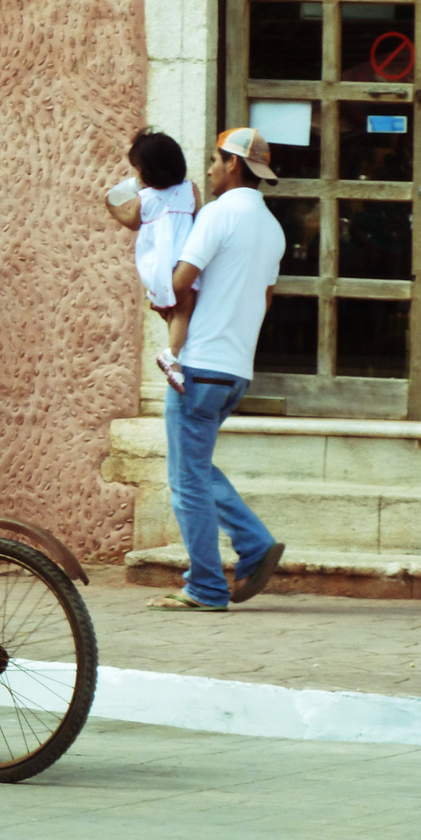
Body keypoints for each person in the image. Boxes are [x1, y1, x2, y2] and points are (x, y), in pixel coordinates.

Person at [146, 128, 287, 612]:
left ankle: (206, 585)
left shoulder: (218, 214)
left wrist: (159, 295)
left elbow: (178, 281)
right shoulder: (273, 228)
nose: (207, 168)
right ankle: (253, 545)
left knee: (186, 481)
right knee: (198, 467)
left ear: (233, 164)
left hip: (200, 365)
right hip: (235, 371)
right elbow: (264, 300)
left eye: (213, 159)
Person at [106, 128, 200, 392]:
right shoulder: (190, 189)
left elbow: (132, 222)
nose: (137, 177)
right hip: (183, 261)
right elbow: (200, 218)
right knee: (184, 307)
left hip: (158, 266)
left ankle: (174, 355)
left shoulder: (145, 199)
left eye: (138, 170)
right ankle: (173, 355)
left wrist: (112, 207)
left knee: (176, 309)